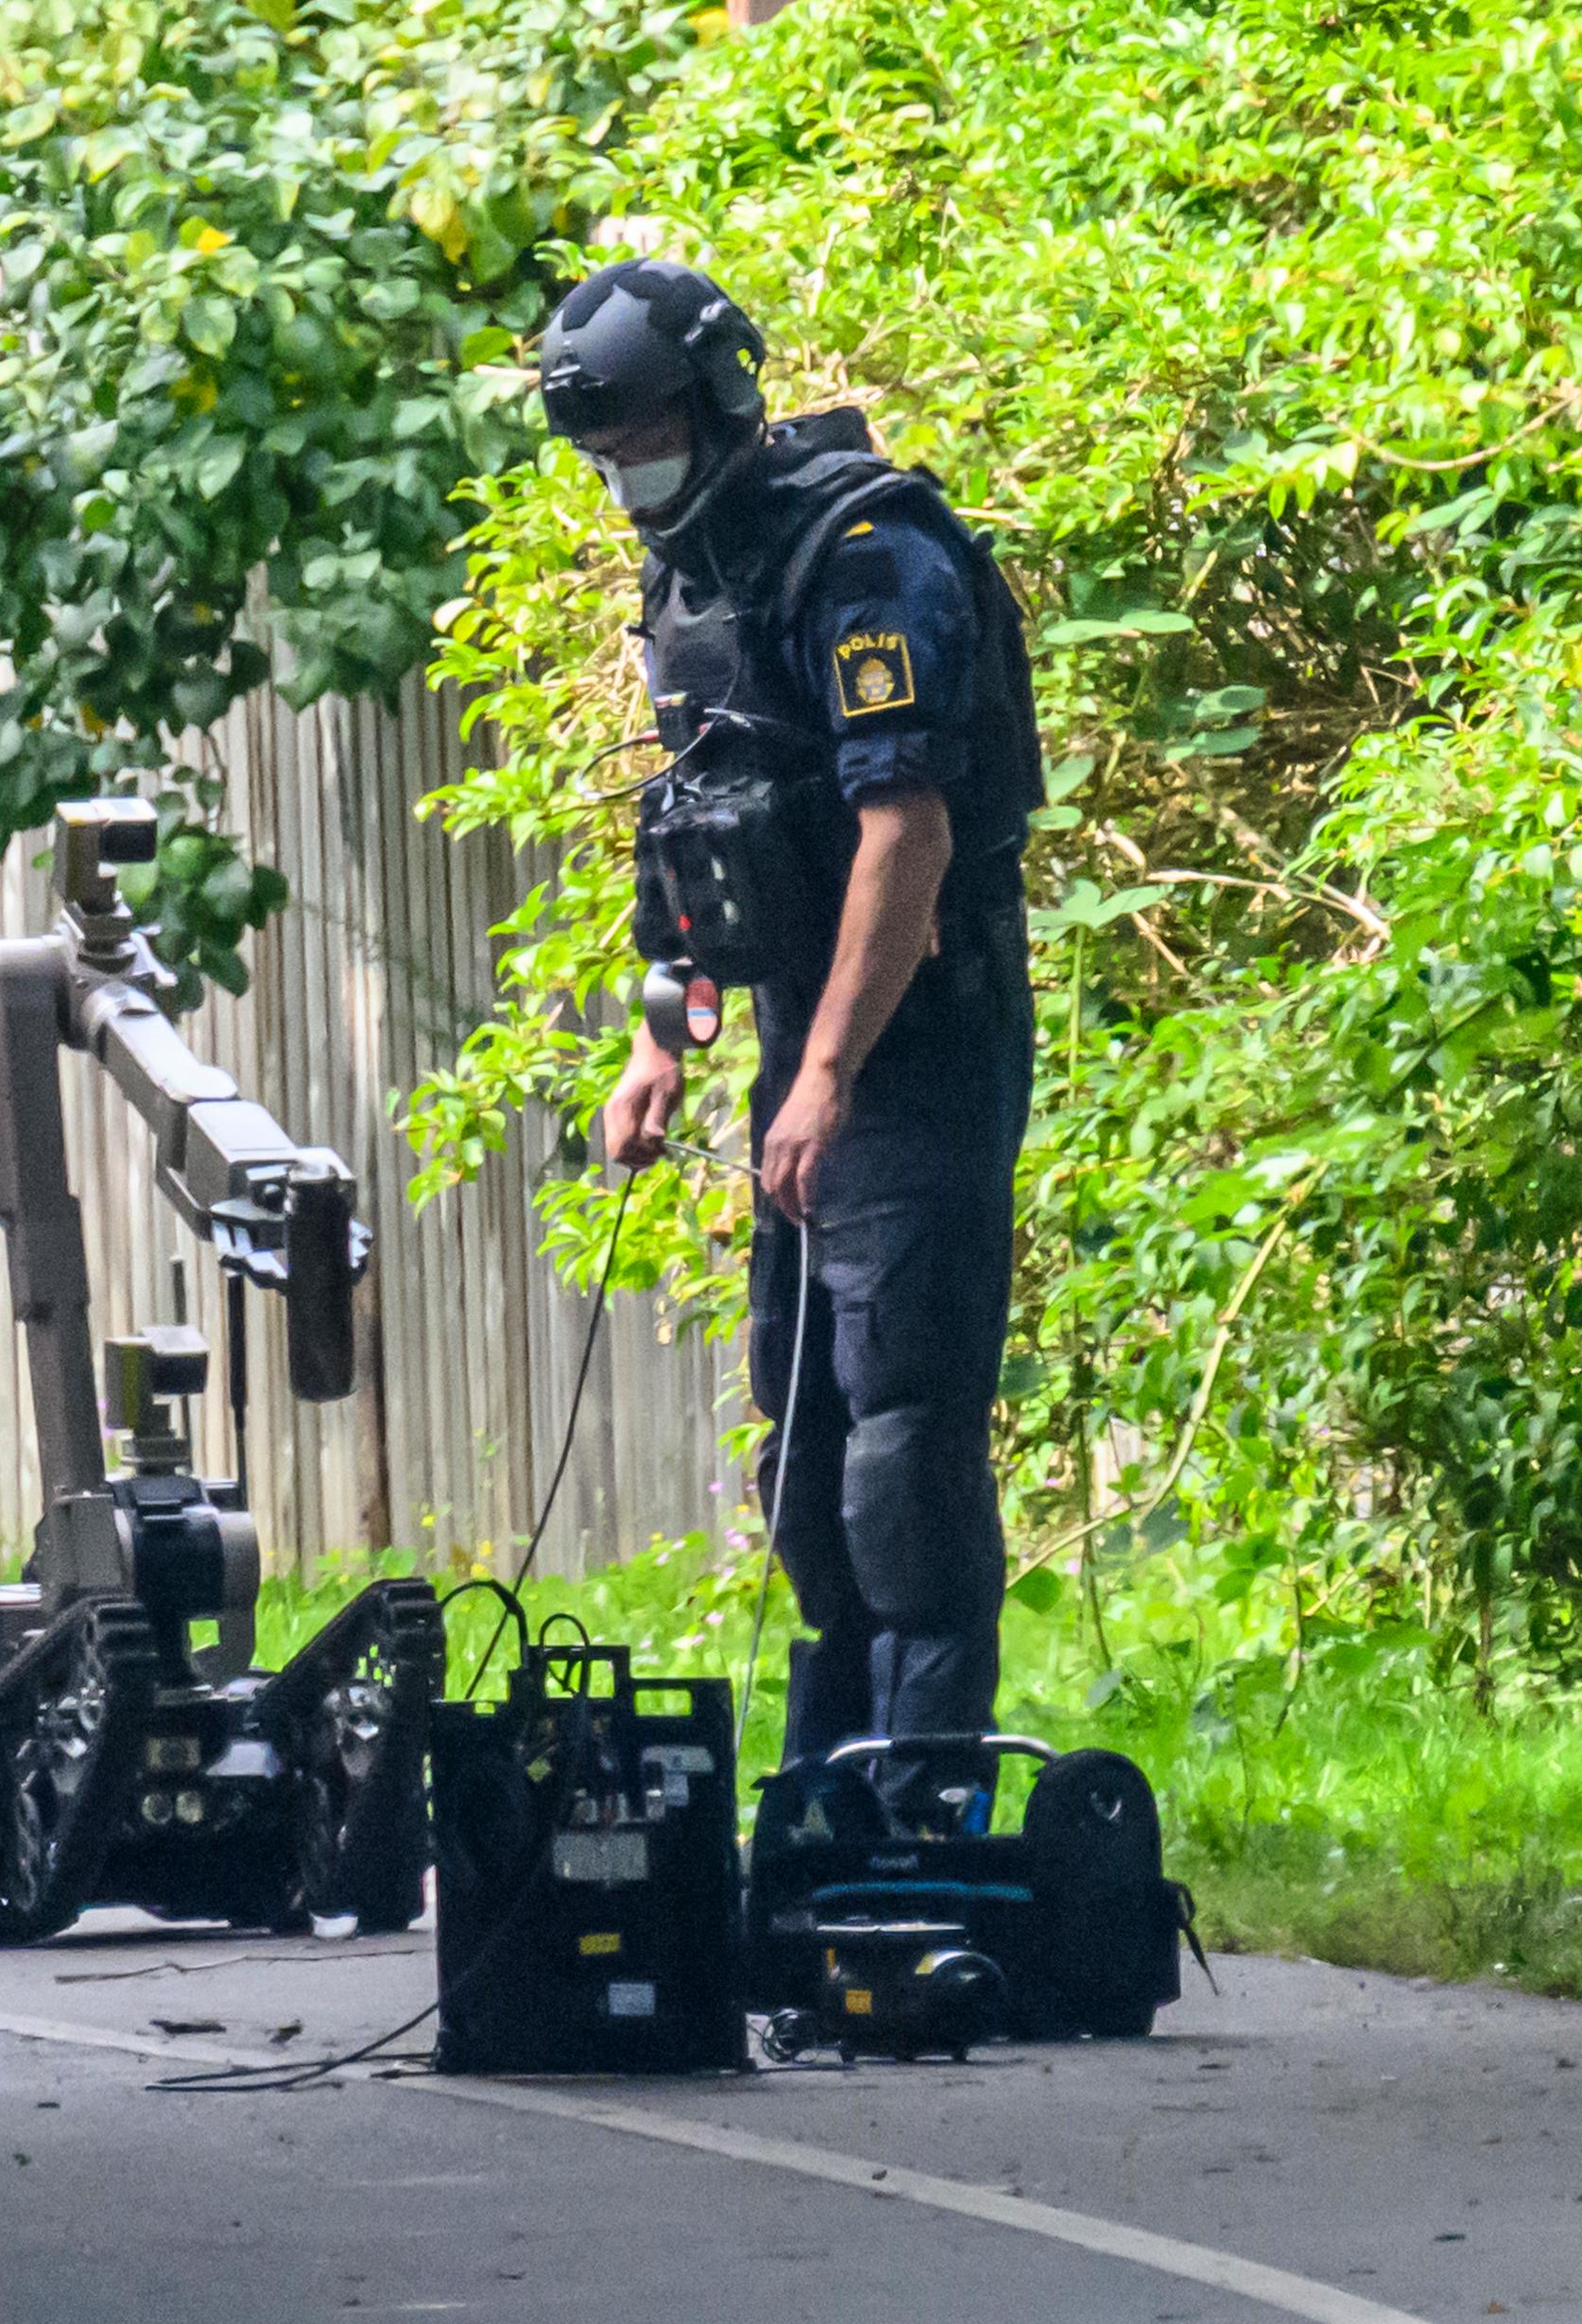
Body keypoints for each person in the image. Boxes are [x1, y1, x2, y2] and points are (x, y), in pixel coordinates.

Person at [547, 257, 1046, 1828]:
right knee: (808, 1433)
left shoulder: (866, 557)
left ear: (719, 400)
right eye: (604, 444)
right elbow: (706, 835)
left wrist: (826, 1072)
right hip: (800, 1045)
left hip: (924, 1041)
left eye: (644, 431)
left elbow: (908, 839)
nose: (630, 467)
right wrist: (663, 1038)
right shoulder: (697, 576)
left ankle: (926, 1811)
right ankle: (824, 1800)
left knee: (904, 1437)